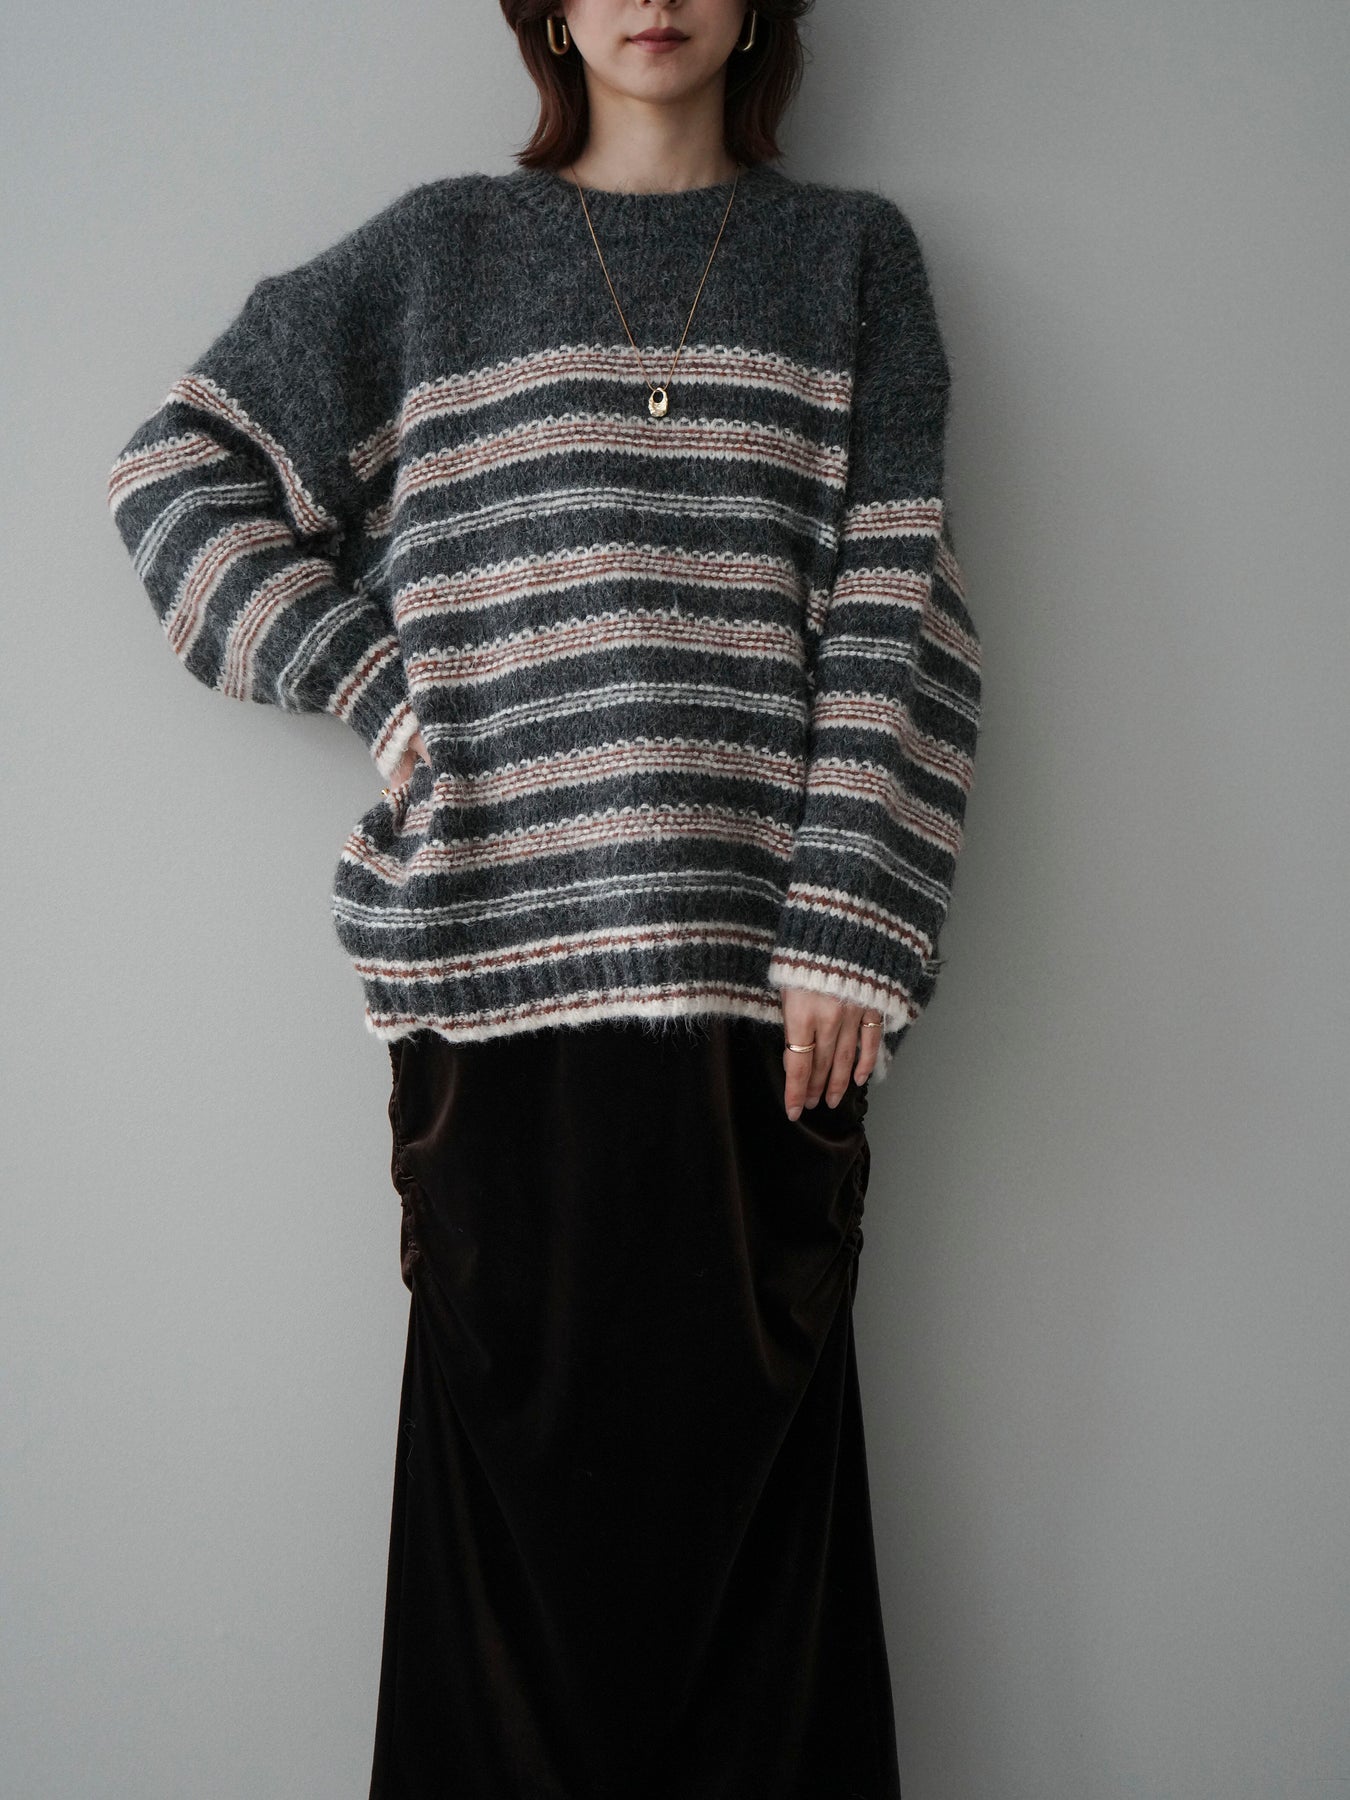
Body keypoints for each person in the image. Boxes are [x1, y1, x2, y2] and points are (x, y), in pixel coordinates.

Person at [106, 0, 982, 1791]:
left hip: (764, 1016)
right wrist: (382, 690)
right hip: (495, 999)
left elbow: (892, 606)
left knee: (761, 1595)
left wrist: (848, 917)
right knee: (503, 1592)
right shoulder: (439, 257)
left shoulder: (851, 263)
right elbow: (171, 477)